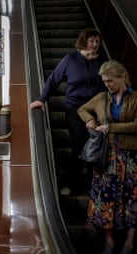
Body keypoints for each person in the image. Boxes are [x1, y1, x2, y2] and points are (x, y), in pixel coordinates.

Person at [77, 60, 137, 254]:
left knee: (134, 199)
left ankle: (129, 242)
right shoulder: (102, 98)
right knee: (106, 199)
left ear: (122, 77)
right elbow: (82, 109)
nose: (107, 85)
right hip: (108, 156)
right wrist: (90, 120)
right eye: (104, 81)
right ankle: (109, 241)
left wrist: (110, 128)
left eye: (110, 81)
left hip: (132, 157)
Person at [29, 28, 108, 196]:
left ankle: (91, 183)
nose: (95, 44)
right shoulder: (70, 59)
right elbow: (54, 79)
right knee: (79, 145)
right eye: (92, 41)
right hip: (75, 109)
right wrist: (42, 99)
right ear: (84, 41)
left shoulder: (103, 61)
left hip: (97, 111)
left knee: (96, 146)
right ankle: (72, 183)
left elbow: (113, 80)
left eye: (97, 41)